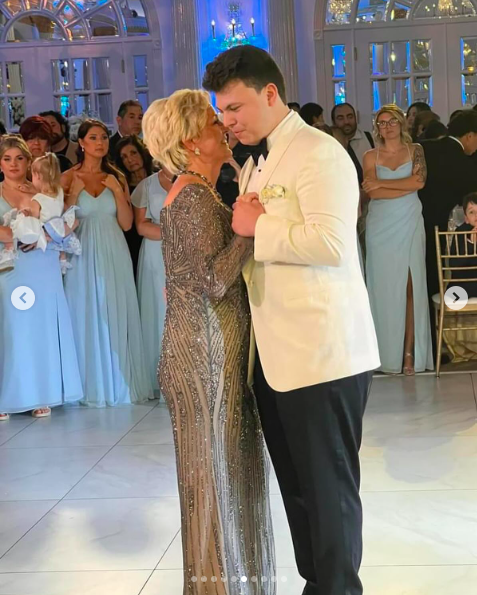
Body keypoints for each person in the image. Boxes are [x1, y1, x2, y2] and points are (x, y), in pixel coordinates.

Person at [203, 46, 380, 595]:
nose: (227, 121)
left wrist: (257, 229)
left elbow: (331, 243)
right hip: (276, 356)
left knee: (328, 489)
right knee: (299, 489)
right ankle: (317, 583)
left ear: (270, 93)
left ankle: (339, 588)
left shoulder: (319, 152)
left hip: (323, 353)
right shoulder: (258, 158)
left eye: (234, 108)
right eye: (222, 112)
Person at [142, 90, 275, 594]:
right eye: (210, 122)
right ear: (189, 140)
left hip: (207, 346)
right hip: (202, 355)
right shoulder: (194, 196)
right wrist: (248, 229)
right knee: (213, 480)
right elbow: (212, 282)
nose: (223, 126)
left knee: (219, 478)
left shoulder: (198, 190)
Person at [62, 119, 152, 407]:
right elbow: (63, 226)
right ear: (82, 143)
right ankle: (88, 386)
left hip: (114, 249)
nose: (100, 142)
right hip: (82, 252)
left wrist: (116, 190)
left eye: (103, 137)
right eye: (93, 137)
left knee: (114, 309)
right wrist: (73, 195)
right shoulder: (67, 178)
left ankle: (120, 381)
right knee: (84, 310)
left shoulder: (117, 177)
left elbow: (127, 224)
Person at [0, 135, 82, 420]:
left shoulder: (45, 191)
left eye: (19, 158)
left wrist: (45, 235)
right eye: (7, 158)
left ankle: (41, 393)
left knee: (42, 328)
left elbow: (70, 220)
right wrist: (19, 236)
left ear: (29, 163)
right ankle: (9, 395)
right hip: (12, 266)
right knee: (13, 329)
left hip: (44, 266)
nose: (13, 164)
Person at [363, 105, 433, 375]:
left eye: (392, 121)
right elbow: (373, 193)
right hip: (381, 226)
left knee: (410, 285)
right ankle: (384, 353)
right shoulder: (370, 155)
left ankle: (409, 353)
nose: (387, 126)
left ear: (402, 123)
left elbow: (419, 183)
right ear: (376, 127)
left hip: (410, 221)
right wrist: (398, 186)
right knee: (383, 288)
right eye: (382, 123)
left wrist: (384, 184)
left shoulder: (416, 149)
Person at [419, 110, 477, 301]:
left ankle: (429, 324)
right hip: (443, 227)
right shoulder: (466, 163)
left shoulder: (424, 147)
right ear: (469, 136)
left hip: (416, 219)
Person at [131, 166, 174, 397]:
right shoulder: (147, 185)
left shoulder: (192, 178)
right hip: (156, 252)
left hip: (186, 251)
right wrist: (175, 233)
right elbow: (141, 225)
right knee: (158, 308)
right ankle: (160, 376)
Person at [115, 135, 154, 278]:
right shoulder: (123, 188)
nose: (130, 160)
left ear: (142, 152)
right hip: (133, 243)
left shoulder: (158, 179)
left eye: (133, 153)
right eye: (124, 157)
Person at [331, 102, 374, 180]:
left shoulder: (372, 139)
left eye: (350, 117)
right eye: (340, 118)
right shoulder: (329, 145)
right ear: (333, 122)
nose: (346, 122)